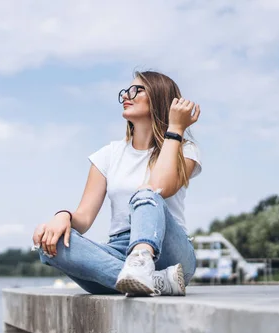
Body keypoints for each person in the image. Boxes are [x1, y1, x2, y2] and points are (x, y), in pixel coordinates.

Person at [31, 70, 202, 296]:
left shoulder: (183, 148)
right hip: (120, 249)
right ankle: (156, 281)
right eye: (124, 92)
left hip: (170, 250)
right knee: (49, 246)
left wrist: (175, 129)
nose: (125, 96)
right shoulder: (107, 155)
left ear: (160, 96)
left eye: (136, 90)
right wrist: (62, 216)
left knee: (146, 194)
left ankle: (141, 268)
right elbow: (83, 219)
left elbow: (160, 187)